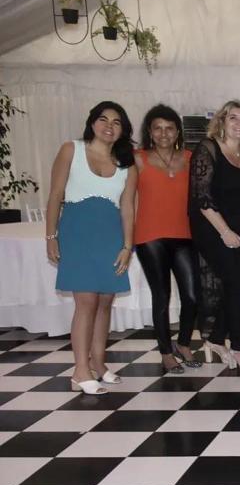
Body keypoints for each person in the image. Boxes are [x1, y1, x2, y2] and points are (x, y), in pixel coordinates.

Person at [44, 101, 137, 394]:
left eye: (116, 122)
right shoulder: (71, 150)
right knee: (86, 302)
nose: (109, 126)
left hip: (111, 237)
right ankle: (79, 371)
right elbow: (55, 195)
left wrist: (127, 246)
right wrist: (51, 236)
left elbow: (128, 208)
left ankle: (98, 363)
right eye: (103, 119)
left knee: (105, 301)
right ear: (92, 123)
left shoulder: (127, 163)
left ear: (123, 130)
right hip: (77, 234)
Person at [189, 100, 240, 373]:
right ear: (222, 121)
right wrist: (225, 232)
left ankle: (217, 338)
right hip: (214, 230)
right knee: (236, 281)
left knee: (238, 284)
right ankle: (239, 347)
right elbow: (202, 198)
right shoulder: (208, 148)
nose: (239, 124)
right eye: (233, 118)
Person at [133, 104, 201, 375]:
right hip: (149, 236)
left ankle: (183, 343)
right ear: (149, 132)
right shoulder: (137, 159)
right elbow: (125, 199)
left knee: (192, 295)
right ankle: (165, 352)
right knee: (161, 295)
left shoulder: (191, 158)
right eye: (157, 128)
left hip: (185, 235)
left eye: (169, 128)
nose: (163, 133)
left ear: (177, 131)